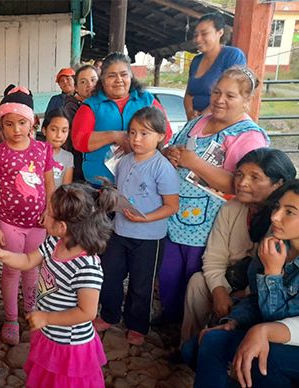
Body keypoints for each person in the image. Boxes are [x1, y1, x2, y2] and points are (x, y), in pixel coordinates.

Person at [0, 183, 118, 387]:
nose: (44, 215)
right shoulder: (55, 242)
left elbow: (87, 312)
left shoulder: (87, 267)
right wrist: (3, 255)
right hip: (49, 334)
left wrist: (46, 317)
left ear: (62, 226)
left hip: (69, 347)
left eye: (49, 212)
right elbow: (27, 261)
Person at [159, 66, 269, 324]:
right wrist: (171, 154)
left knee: (197, 274)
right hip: (176, 214)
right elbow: (176, 145)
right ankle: (170, 319)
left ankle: (193, 332)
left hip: (211, 223)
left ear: (246, 100)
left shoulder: (249, 136)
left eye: (230, 96)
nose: (220, 99)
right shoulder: (199, 121)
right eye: (217, 92)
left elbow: (242, 186)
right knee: (170, 271)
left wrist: (194, 163)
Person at [191, 180, 299, 388]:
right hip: (268, 329)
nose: (275, 217)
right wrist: (234, 321)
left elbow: (277, 320)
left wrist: (272, 274)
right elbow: (255, 298)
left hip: (288, 339)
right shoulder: (275, 244)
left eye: (290, 212)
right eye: (277, 207)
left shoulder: (272, 256)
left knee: (260, 360)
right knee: (196, 348)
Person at [181, 148, 296, 343]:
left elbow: (278, 278)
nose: (242, 183)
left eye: (255, 177)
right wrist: (219, 291)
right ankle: (190, 344)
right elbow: (214, 258)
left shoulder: (284, 224)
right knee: (197, 282)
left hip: (264, 292)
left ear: (278, 184)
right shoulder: (231, 208)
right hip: (230, 282)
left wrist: (239, 295)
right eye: (239, 174)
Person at [93, 107, 179, 345]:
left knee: (142, 284)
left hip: (149, 237)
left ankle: (138, 325)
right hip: (119, 232)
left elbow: (172, 206)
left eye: (144, 133)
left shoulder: (163, 167)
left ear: (161, 136)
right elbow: (120, 192)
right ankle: (109, 314)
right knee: (109, 275)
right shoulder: (124, 161)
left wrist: (145, 218)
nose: (136, 139)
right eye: (132, 133)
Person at [0, 85, 55, 345]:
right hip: (9, 224)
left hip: (38, 225)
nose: (16, 130)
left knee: (33, 270)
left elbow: (49, 185)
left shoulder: (43, 150)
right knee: (12, 271)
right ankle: (12, 318)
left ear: (32, 122)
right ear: (1, 125)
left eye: (22, 123)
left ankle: (31, 311)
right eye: (9, 124)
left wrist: (49, 213)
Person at [71, 52, 172, 186]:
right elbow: (79, 141)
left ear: (131, 76)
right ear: (103, 79)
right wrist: (114, 136)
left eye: (124, 74)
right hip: (100, 186)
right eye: (112, 76)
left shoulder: (146, 100)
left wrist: (136, 142)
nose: (119, 80)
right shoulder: (91, 105)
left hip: (142, 184)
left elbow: (166, 133)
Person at [185, 13, 246, 120]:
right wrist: (190, 113)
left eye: (204, 34)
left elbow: (232, 94)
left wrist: (202, 118)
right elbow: (188, 94)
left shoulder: (232, 55)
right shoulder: (196, 61)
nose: (198, 39)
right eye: (195, 35)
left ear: (220, 32)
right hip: (195, 123)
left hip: (221, 123)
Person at [62, 64, 99, 182]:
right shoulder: (71, 107)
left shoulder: (100, 104)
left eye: (93, 80)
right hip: (80, 165)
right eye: (83, 82)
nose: (90, 85)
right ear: (76, 87)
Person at [42, 108, 74, 187]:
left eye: (64, 131)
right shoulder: (35, 153)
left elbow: (65, 188)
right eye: (53, 129)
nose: (59, 135)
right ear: (44, 130)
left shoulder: (68, 157)